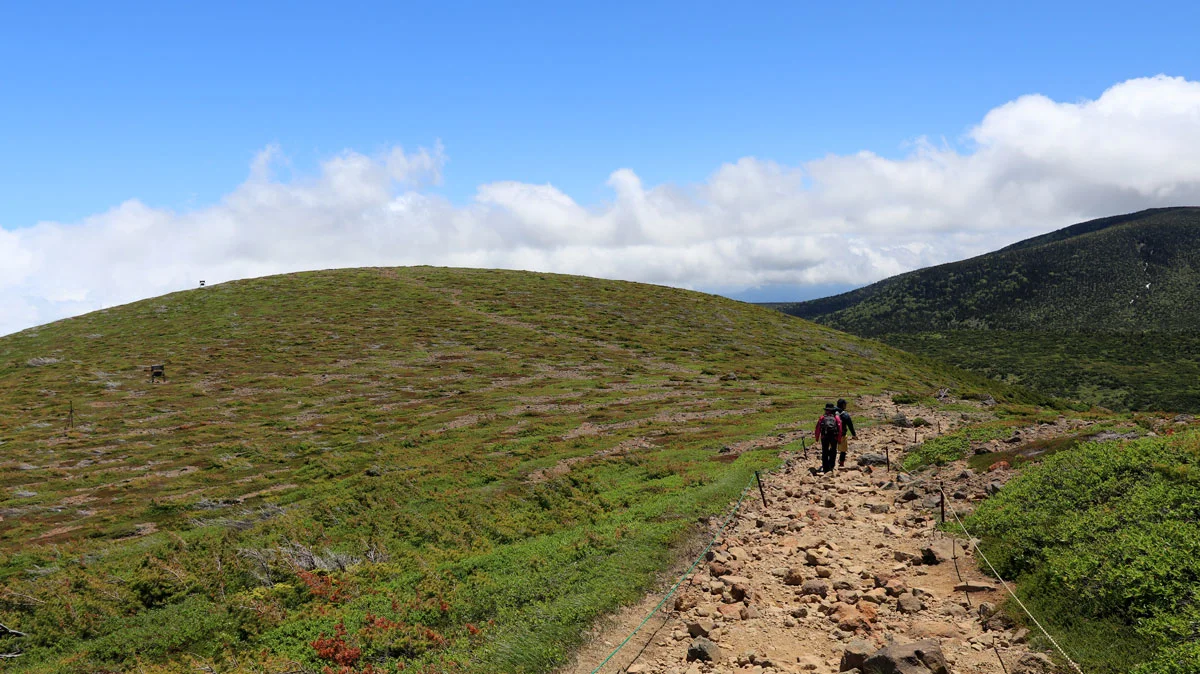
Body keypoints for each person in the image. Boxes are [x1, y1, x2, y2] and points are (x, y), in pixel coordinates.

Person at [814, 403, 843, 473]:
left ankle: (825, 468)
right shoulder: (836, 417)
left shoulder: (822, 417)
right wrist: (839, 438)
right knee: (833, 450)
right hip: (834, 437)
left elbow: (818, 428)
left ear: (826, 410)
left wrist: (817, 437)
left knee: (825, 451)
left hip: (824, 436)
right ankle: (831, 465)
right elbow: (840, 428)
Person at [836, 398, 857, 468]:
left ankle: (830, 463)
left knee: (832, 449)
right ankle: (841, 462)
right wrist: (854, 435)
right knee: (843, 450)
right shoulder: (845, 415)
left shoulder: (832, 412)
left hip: (832, 434)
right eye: (845, 404)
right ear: (843, 405)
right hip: (842, 434)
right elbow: (850, 425)